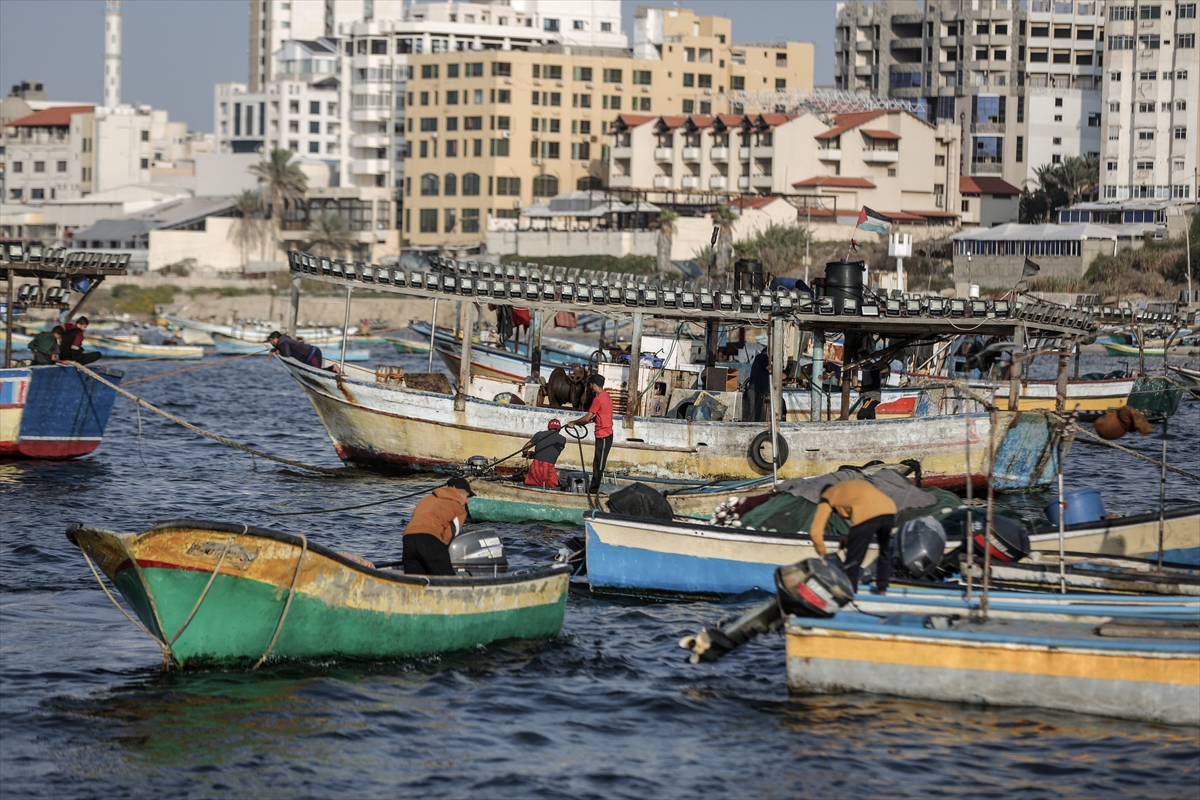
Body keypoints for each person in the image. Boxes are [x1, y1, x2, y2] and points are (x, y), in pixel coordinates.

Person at [808, 479, 898, 594]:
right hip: (889, 511)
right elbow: (861, 507)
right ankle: (882, 590)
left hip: (866, 518)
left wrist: (824, 557)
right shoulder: (846, 488)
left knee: (852, 563)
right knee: (885, 553)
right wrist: (850, 538)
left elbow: (815, 533)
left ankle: (850, 595)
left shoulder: (827, 496)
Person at [401, 476, 473, 576]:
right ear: (461, 494)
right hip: (429, 540)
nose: (467, 501)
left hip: (408, 541)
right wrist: (441, 554)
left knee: (415, 582)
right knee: (447, 580)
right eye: (467, 496)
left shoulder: (426, 499)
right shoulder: (458, 508)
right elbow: (449, 534)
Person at [570, 374, 613, 493]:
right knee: (597, 462)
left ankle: (594, 490)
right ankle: (594, 487)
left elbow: (587, 417)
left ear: (594, 385)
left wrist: (574, 422)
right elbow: (600, 416)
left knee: (599, 464)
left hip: (604, 435)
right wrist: (586, 422)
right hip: (604, 435)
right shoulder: (607, 397)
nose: (590, 388)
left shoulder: (598, 399)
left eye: (590, 385)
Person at [266, 330, 339, 374]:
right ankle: (332, 369)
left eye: (271, 341)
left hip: (313, 354)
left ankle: (333, 368)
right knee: (312, 373)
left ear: (275, 339)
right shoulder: (283, 339)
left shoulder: (282, 341)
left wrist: (279, 351)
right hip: (309, 356)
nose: (271, 343)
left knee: (316, 373)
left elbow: (286, 353)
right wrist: (274, 349)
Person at [523, 419, 567, 488]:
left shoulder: (539, 434)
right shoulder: (562, 440)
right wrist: (535, 454)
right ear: (559, 429)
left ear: (548, 427)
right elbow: (550, 453)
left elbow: (525, 449)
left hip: (535, 469)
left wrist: (527, 454)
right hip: (549, 472)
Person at [743, 351, 769, 422]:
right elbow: (769, 368)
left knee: (757, 413)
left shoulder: (760, 359)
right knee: (754, 414)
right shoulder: (762, 356)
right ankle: (750, 429)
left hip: (758, 390)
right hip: (755, 389)